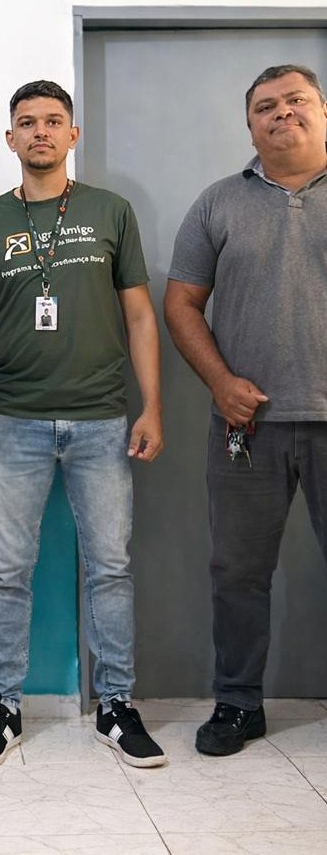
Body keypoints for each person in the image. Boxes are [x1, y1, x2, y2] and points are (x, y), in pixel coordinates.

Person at [0, 80, 167, 769]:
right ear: (9, 138)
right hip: (12, 419)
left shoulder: (110, 210)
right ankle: (4, 705)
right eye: (26, 122)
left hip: (101, 419)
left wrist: (152, 406)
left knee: (110, 567)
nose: (38, 131)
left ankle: (116, 704)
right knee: (8, 570)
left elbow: (139, 314)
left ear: (72, 135)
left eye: (51, 121)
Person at [164, 64, 327, 756]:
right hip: (246, 426)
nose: (281, 112)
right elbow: (180, 303)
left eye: (296, 100)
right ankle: (237, 703)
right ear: (249, 125)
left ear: (322, 111)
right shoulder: (217, 203)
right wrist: (219, 381)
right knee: (237, 573)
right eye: (265, 106)